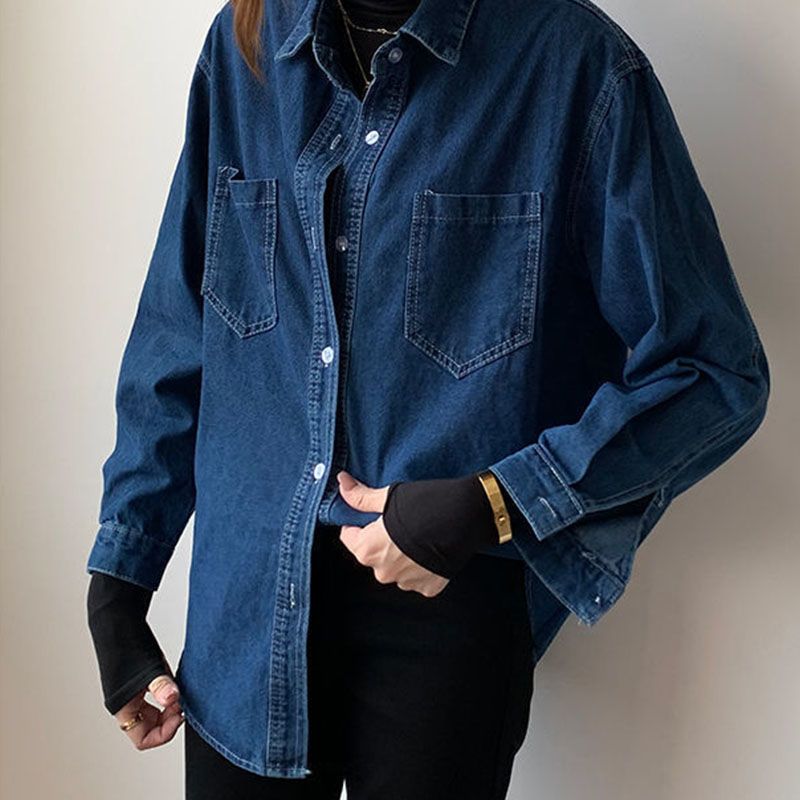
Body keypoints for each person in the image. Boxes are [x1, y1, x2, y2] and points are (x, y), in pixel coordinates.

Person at [85, 0, 771, 798]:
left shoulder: (576, 67)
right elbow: (180, 332)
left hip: (444, 618)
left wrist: (492, 502)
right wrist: (120, 585)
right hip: (244, 615)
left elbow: (712, 370)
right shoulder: (247, 46)